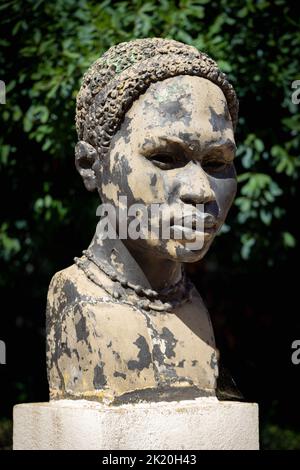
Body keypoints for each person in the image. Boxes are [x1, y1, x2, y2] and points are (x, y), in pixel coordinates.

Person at [46, 38, 239, 403]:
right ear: (91, 166)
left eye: (216, 163)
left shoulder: (192, 306)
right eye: (165, 157)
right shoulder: (76, 301)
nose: (201, 191)